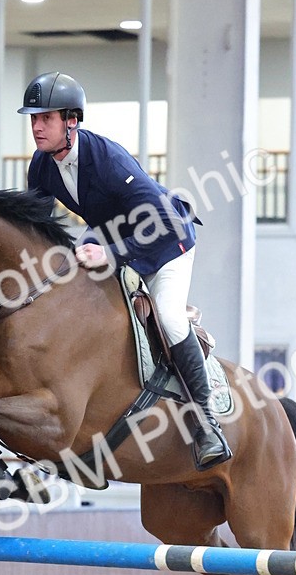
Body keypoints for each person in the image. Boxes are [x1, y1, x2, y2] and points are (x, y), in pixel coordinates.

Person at [18, 71, 231, 469]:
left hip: (166, 244)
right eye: (33, 119)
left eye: (45, 118)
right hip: (111, 238)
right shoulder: (42, 165)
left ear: (71, 121)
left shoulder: (108, 160)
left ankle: (207, 423)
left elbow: (165, 222)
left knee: (168, 317)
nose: (37, 127)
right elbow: (36, 226)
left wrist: (111, 254)